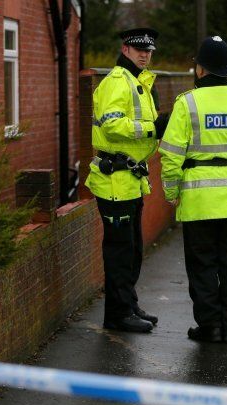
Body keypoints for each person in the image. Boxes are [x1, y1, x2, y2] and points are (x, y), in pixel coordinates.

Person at [159, 36, 227, 343]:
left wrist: (171, 192)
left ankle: (210, 325)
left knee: (203, 265)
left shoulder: (188, 103)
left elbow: (170, 154)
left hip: (197, 201)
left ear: (201, 70)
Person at [86, 27, 170, 333]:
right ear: (125, 50)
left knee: (132, 248)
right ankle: (117, 315)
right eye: (139, 50)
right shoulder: (117, 82)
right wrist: (153, 128)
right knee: (120, 251)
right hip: (114, 180)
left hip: (130, 178)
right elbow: (112, 126)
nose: (145, 55)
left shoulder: (139, 83)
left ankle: (129, 305)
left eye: (148, 51)